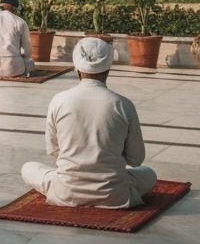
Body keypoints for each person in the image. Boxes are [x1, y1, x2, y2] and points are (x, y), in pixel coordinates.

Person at [21, 37, 157, 208]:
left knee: (28, 168)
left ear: (76, 68)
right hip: (115, 195)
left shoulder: (59, 100)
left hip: (66, 191)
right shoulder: (123, 104)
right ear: (108, 69)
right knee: (149, 174)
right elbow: (136, 158)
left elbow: (54, 150)